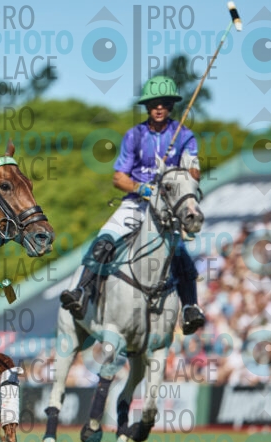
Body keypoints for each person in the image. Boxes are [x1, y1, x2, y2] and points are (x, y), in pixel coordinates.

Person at [60, 75, 206, 335]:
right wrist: (142, 188)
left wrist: (186, 169)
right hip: (136, 204)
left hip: (167, 208)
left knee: (181, 254)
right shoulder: (135, 135)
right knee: (105, 238)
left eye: (164, 103)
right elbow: (119, 178)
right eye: (153, 103)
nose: (158, 108)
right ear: (147, 107)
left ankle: (190, 307)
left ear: (171, 105)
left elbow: (194, 174)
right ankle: (81, 291)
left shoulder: (184, 135)